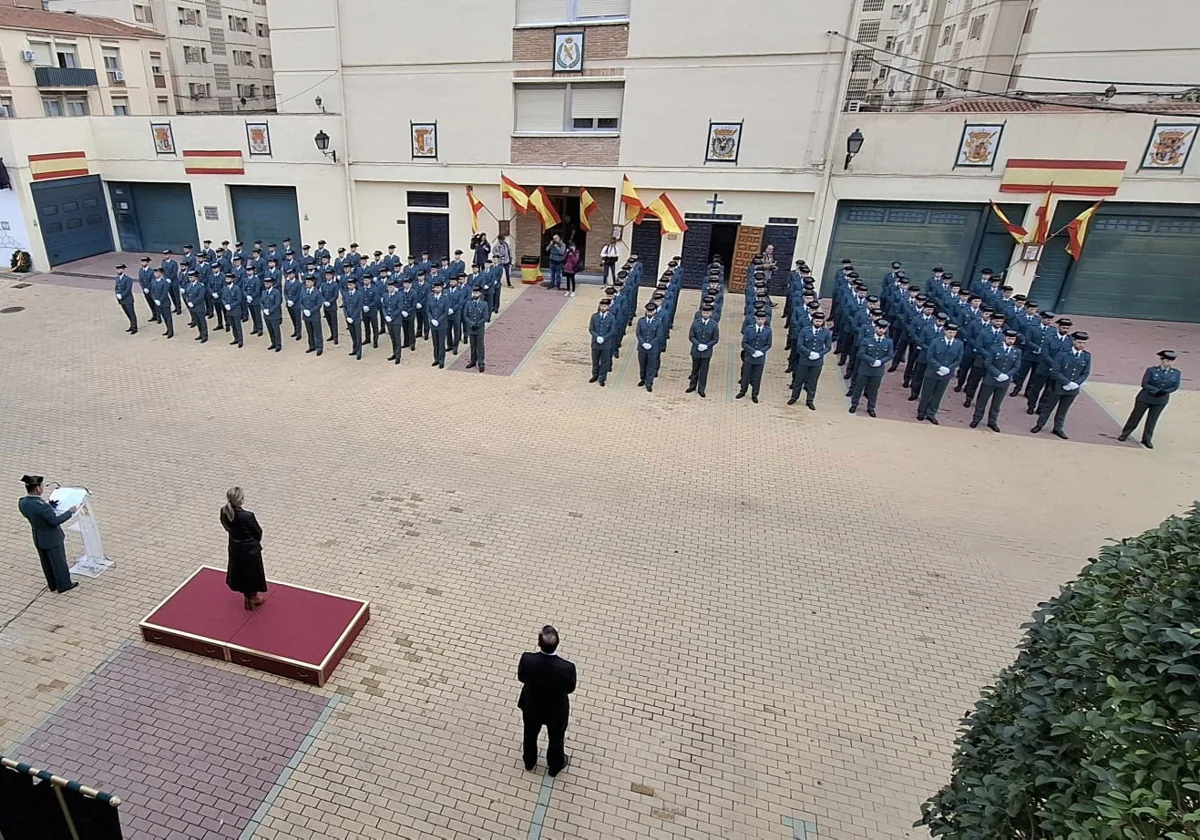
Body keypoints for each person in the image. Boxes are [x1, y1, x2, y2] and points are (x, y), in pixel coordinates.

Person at [517, 625, 577, 777]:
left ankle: (529, 761)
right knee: (556, 738)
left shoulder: (528, 659)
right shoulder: (567, 668)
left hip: (531, 706)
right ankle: (555, 765)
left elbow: (522, 677)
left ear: (539, 643)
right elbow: (570, 688)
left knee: (529, 735)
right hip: (556, 711)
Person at [18, 475, 79, 593]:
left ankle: (53, 584)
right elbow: (54, 521)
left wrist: (48, 507)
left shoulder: (23, 502)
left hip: (38, 536)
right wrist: (69, 512)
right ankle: (64, 584)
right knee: (59, 562)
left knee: (46, 562)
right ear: (37, 488)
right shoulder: (42, 506)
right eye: (41, 486)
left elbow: (33, 514)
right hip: (52, 538)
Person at [1033, 330, 1091, 440]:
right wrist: (1067, 382)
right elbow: (1055, 371)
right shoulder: (1063, 354)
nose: (1081, 345)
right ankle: (1040, 424)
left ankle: (1058, 428)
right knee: (1048, 407)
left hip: (1073, 388)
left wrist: (1076, 384)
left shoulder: (1086, 356)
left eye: (1083, 343)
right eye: (1079, 342)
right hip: (1058, 386)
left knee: (1063, 410)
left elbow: (1085, 372)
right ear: (1073, 342)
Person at [1119, 350, 1181, 449]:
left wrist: (1165, 392)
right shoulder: (1152, 370)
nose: (1169, 363)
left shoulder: (1176, 373)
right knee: (1135, 416)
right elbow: (1145, 383)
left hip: (1160, 400)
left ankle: (1147, 439)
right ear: (1162, 360)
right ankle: (1125, 433)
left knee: (1152, 420)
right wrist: (1155, 391)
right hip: (1145, 397)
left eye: (1171, 361)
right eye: (1167, 360)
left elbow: (1175, 386)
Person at [219, 487, 267, 611]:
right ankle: (253, 598)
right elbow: (258, 532)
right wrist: (254, 542)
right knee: (252, 574)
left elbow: (226, 527)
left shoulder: (224, 512)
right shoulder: (247, 516)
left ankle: (247, 597)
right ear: (241, 500)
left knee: (241, 573)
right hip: (250, 551)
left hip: (235, 548)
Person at [971, 329, 1022, 431]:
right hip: (990, 379)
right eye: (1009, 338)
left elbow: (1016, 366)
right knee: (982, 401)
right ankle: (976, 418)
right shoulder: (994, 349)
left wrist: (1007, 375)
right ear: (1004, 338)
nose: (1010, 340)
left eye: (1013, 339)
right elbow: (988, 363)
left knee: (997, 403)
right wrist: (998, 374)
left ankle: (992, 421)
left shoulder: (1017, 351)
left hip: (1004, 381)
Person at [917, 322, 963, 424]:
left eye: (954, 333)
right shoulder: (936, 342)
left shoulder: (958, 344)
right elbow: (929, 356)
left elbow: (958, 359)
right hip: (933, 372)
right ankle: (921, 411)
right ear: (945, 331)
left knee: (938, 394)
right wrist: (939, 367)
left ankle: (931, 413)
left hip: (946, 374)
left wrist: (948, 368)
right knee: (926, 393)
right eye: (950, 332)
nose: (952, 335)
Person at [849, 320, 894, 417]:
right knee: (858, 388)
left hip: (877, 370)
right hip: (865, 369)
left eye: (883, 329)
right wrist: (872, 360)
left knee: (873, 390)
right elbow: (861, 353)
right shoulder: (867, 340)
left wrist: (880, 361)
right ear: (875, 328)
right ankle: (854, 404)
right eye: (879, 328)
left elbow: (890, 355)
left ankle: (871, 407)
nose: (881, 330)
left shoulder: (888, 341)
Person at [788, 311, 832, 409]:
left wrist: (819, 354)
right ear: (813, 320)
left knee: (813, 381)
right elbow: (799, 345)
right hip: (804, 360)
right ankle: (794, 397)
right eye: (816, 321)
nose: (818, 323)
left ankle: (810, 400)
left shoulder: (826, 332)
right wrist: (809, 353)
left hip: (817, 362)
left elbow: (828, 347)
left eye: (820, 321)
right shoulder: (805, 330)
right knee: (799, 380)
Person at [736, 310, 772, 403]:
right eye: (759, 319)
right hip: (749, 357)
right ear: (755, 319)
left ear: (765, 320)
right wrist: (752, 351)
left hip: (760, 358)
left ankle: (755, 394)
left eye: (762, 319)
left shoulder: (768, 331)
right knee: (745, 375)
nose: (760, 321)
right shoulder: (749, 329)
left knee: (757, 377)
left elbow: (768, 344)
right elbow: (744, 343)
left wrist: (761, 351)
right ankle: (742, 391)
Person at [687, 302, 719, 398]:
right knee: (695, 369)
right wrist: (698, 344)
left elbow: (715, 339)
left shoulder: (714, 325)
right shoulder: (696, 323)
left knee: (704, 371)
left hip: (706, 352)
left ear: (711, 314)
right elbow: (691, 336)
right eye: (704, 312)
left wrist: (707, 346)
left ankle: (701, 389)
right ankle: (692, 386)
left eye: (707, 313)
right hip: (696, 350)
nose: (705, 314)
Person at [635, 302, 664, 392]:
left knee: (651, 366)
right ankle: (643, 379)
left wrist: (651, 344)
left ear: (654, 312)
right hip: (642, 347)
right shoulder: (641, 321)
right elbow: (638, 333)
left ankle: (649, 382)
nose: (649, 313)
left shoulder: (658, 322)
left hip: (653, 348)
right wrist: (643, 343)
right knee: (642, 364)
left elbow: (658, 335)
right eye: (648, 311)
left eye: (651, 312)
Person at [588, 298, 615, 386]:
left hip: (606, 344)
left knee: (604, 362)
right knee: (595, 361)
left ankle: (602, 378)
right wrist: (597, 337)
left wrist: (604, 338)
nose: (603, 308)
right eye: (602, 306)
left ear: (608, 307)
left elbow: (612, 330)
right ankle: (594, 375)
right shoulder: (594, 316)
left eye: (605, 306)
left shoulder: (611, 317)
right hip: (595, 343)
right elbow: (591, 329)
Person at [464, 284, 489, 372]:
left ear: (480, 294)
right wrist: (471, 323)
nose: (474, 294)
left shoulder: (484, 304)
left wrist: (477, 324)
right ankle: (473, 361)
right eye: (473, 293)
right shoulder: (468, 303)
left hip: (479, 328)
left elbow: (485, 317)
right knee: (472, 345)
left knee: (480, 346)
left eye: (476, 293)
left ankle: (481, 362)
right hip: (471, 328)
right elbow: (465, 315)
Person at [300, 274, 324, 356]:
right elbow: (300, 302)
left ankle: (319, 347)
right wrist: (304, 310)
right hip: (306, 316)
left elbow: (319, 305)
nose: (307, 283)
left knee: (317, 332)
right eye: (306, 282)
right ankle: (311, 346)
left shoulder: (317, 292)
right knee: (309, 332)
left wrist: (311, 311)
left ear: (313, 283)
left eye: (309, 282)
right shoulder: (303, 291)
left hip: (314, 316)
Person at [426, 279, 449, 368]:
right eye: (435, 288)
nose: (436, 289)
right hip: (433, 324)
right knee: (435, 343)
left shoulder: (445, 298)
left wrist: (438, 320)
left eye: (438, 288)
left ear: (441, 288)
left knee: (441, 343)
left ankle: (441, 360)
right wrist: (432, 319)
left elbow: (445, 311)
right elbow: (428, 310)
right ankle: (436, 358)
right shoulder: (430, 297)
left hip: (442, 324)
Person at [220, 273, 245, 348]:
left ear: (232, 279)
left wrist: (231, 305)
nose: (227, 280)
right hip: (228, 311)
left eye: (228, 279)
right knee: (232, 326)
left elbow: (239, 300)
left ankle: (240, 340)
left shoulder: (236, 288)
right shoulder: (225, 288)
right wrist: (225, 305)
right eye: (226, 279)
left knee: (238, 326)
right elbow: (223, 298)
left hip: (236, 310)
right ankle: (236, 338)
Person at [150, 267, 174, 338]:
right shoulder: (153, 281)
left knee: (168, 317)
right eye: (155, 273)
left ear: (161, 273)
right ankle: (167, 329)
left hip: (165, 303)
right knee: (164, 317)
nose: (155, 274)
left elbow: (164, 293)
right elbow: (152, 292)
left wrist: (160, 300)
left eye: (157, 273)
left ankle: (170, 331)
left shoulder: (164, 282)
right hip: (157, 302)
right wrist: (155, 299)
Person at [184, 271, 208, 343]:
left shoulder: (200, 286)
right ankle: (200, 333)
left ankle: (204, 335)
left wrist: (193, 303)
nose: (190, 279)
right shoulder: (189, 285)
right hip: (192, 307)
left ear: (196, 277)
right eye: (189, 277)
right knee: (197, 321)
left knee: (202, 321)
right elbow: (187, 294)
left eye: (191, 277)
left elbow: (200, 297)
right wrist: (188, 301)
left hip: (199, 307)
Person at [261, 274, 283, 352]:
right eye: (265, 283)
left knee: (276, 330)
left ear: (271, 283)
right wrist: (264, 309)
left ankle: (278, 344)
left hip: (274, 315)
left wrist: (269, 310)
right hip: (266, 315)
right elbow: (261, 302)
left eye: (268, 283)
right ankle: (273, 343)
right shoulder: (263, 292)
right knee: (270, 330)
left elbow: (277, 304)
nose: (266, 284)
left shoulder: (276, 292)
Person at [114, 263, 137, 334]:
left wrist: (122, 295)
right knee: (127, 313)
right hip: (121, 300)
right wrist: (117, 294)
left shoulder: (128, 279)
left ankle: (134, 327)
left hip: (128, 299)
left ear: (123, 270)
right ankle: (131, 325)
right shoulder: (117, 278)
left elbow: (128, 289)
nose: (117, 271)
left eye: (119, 269)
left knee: (131, 313)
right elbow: (116, 287)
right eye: (117, 269)